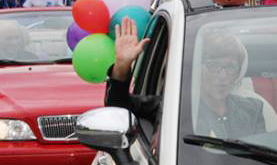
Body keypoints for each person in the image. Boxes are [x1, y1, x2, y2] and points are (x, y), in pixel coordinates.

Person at [106, 16, 265, 139]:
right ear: (197, 68)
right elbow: (117, 106)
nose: (223, 76)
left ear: (238, 73)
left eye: (230, 68)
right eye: (214, 66)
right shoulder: (173, 108)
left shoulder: (252, 109)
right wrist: (122, 66)